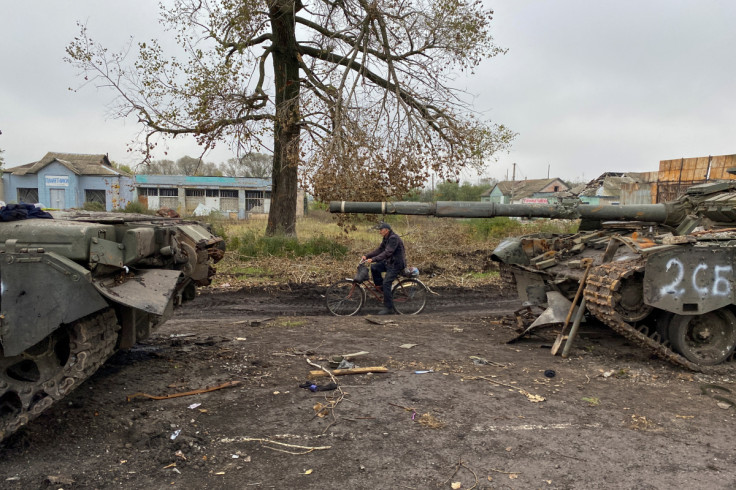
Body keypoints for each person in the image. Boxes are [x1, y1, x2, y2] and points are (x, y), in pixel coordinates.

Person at [362, 222, 406, 315]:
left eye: (381, 230)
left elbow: (387, 253)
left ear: (387, 230)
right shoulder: (386, 238)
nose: (379, 232)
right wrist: (367, 256)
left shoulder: (393, 238)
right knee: (374, 267)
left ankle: (389, 308)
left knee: (387, 283)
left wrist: (374, 259)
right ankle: (382, 290)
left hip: (396, 264)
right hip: (390, 263)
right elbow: (380, 250)